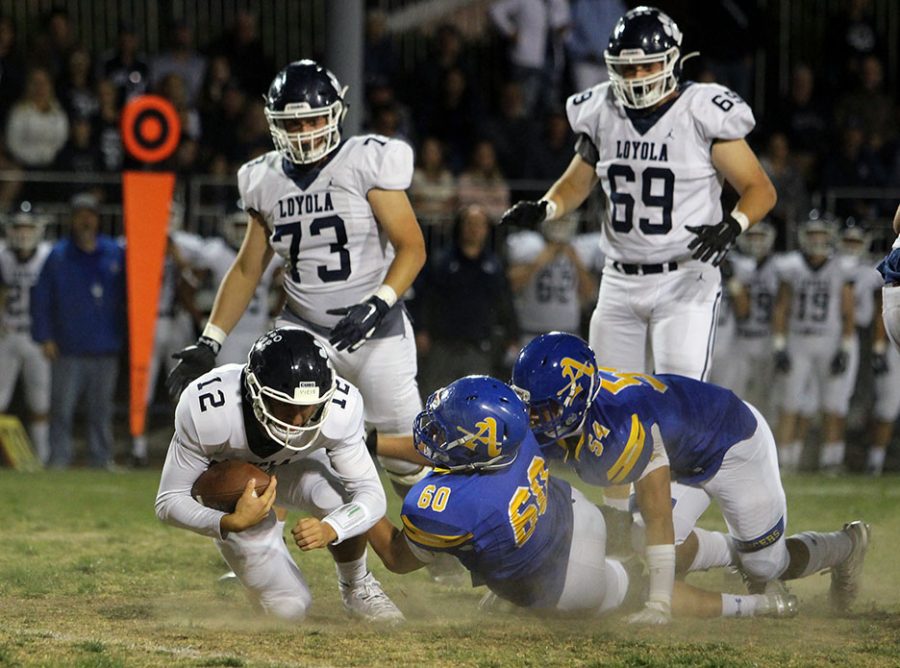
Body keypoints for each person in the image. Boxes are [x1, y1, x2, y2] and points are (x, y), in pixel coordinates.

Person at [164, 60, 430, 519]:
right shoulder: (263, 178)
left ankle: (432, 540)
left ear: (335, 115)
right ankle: (259, 546)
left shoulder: (366, 159)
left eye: (312, 119)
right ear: (273, 123)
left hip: (377, 329)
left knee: (403, 453)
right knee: (269, 442)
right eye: (292, 122)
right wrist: (211, 340)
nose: (304, 131)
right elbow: (248, 267)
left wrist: (376, 302)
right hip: (302, 329)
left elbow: (412, 247)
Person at [367, 374, 798, 620]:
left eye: (443, 431)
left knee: (647, 582)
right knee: (640, 550)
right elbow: (448, 453)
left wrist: (359, 493)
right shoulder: (518, 433)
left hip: (562, 581)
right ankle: (741, 558)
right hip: (576, 515)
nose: (431, 435)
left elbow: (396, 558)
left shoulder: (446, 506)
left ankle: (760, 605)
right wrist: (370, 442)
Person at [511, 332, 870, 623]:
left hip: (733, 446)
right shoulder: (583, 409)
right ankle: (737, 554)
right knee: (643, 542)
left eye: (546, 409)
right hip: (680, 454)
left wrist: (660, 604)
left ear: (576, 397)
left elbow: (658, 514)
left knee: (766, 564)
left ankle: (847, 544)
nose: (536, 418)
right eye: (529, 406)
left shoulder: (622, 426)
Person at [500, 5, 776, 381]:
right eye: (628, 68)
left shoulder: (700, 110)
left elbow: (759, 189)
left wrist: (732, 224)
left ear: (673, 61)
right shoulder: (603, 109)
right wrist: (547, 207)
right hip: (618, 280)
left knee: (678, 397)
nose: (637, 77)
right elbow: (578, 181)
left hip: (683, 275)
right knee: (611, 400)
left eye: (647, 66)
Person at [156, 327, 404, 623]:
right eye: (287, 407)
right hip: (238, 488)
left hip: (294, 469)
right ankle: (257, 573)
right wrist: (227, 521)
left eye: (308, 408)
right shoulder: (210, 408)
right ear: (255, 391)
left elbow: (371, 495)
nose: (299, 422)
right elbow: (168, 501)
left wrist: (332, 528)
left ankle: (358, 586)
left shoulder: (341, 407)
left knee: (335, 494)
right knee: (290, 609)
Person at [31, 192, 126, 469]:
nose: (86, 220)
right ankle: (58, 458)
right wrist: (45, 336)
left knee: (102, 410)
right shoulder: (58, 256)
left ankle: (101, 458)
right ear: (72, 220)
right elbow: (41, 299)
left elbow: (129, 296)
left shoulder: (113, 252)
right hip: (67, 346)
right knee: (61, 409)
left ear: (97, 219)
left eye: (91, 214)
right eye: (80, 215)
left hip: (105, 346)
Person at [771, 213, 855, 473]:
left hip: (829, 341)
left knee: (833, 403)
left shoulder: (841, 266)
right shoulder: (792, 265)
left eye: (822, 234)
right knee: (790, 402)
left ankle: (831, 460)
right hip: (798, 340)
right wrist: (779, 345)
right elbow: (782, 308)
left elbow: (848, 311)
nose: (817, 240)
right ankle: (785, 461)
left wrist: (845, 347)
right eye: (813, 234)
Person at [0, 210, 52, 462]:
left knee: (40, 402)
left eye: (28, 228)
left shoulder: (46, 256)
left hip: (36, 336)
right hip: (6, 334)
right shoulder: (2, 256)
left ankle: (42, 458)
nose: (22, 234)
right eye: (18, 228)